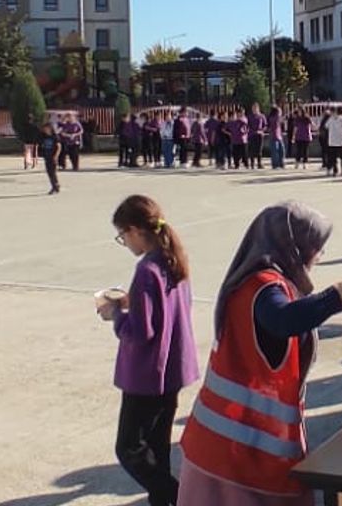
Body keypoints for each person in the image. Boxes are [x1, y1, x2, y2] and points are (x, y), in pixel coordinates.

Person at [177, 203, 342, 505]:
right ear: (295, 248)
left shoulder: (256, 280)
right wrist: (341, 291)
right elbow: (283, 319)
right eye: (317, 249)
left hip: (220, 444)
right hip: (242, 454)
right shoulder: (262, 285)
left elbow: (294, 312)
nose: (318, 257)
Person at [103, 195, 200, 506]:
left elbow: (140, 331)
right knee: (157, 447)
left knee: (130, 448)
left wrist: (116, 315)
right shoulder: (174, 259)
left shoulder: (146, 269)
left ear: (134, 230)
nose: (125, 242)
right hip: (172, 368)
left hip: (147, 374)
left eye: (123, 236)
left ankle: (178, 496)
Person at [324, 106, 342, 177]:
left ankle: (335, 171)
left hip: (332, 141)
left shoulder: (331, 119)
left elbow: (326, 126)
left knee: (333, 158)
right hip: (341, 141)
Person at [39, 122, 61, 195]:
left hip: (53, 156)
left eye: (47, 128)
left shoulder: (55, 137)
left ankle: (55, 186)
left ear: (50, 128)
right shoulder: (43, 136)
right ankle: (56, 185)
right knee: (49, 172)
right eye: (44, 129)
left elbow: (59, 147)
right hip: (47, 156)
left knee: (52, 172)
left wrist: (56, 156)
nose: (45, 130)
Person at [248, 103, 268, 169]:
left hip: (259, 135)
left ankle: (259, 163)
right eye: (253, 108)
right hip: (252, 135)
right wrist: (252, 131)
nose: (254, 109)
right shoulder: (250, 117)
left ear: (258, 108)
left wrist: (262, 131)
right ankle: (252, 164)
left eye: (255, 108)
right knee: (252, 150)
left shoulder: (262, 116)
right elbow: (248, 126)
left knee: (259, 150)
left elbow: (265, 125)